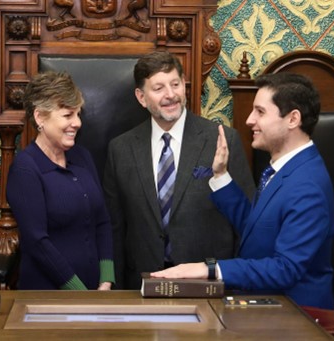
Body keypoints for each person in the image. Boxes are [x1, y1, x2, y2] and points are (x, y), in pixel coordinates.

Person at [151, 72, 334, 309]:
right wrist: (220, 176)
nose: (249, 120)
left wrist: (209, 269)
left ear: (292, 119)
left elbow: (286, 269)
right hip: (267, 309)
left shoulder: (307, 186)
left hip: (296, 318)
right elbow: (257, 228)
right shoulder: (283, 168)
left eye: (260, 112)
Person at [103, 51, 255, 289]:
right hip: (142, 283)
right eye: (159, 88)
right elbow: (115, 226)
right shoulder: (120, 149)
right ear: (141, 97)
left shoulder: (222, 140)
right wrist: (115, 286)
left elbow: (246, 222)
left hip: (207, 283)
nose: (171, 95)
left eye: (175, 84)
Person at [6, 71, 115, 290]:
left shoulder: (83, 157)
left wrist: (106, 280)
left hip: (98, 293)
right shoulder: (25, 168)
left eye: (78, 114)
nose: (77, 123)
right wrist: (79, 293)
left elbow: (102, 221)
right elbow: (37, 243)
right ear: (40, 117)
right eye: (67, 115)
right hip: (48, 297)